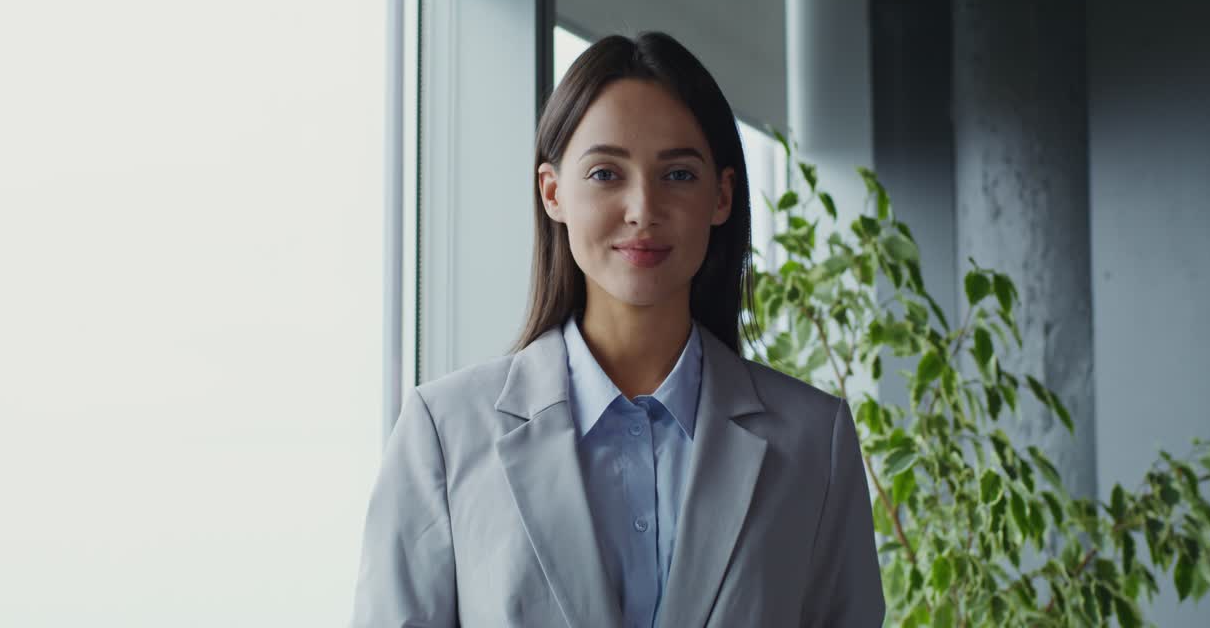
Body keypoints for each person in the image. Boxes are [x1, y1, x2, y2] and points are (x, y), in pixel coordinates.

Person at [350, 31, 885, 627]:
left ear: (722, 195)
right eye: (606, 173)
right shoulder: (445, 434)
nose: (642, 209)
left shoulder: (813, 441)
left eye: (678, 175)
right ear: (553, 192)